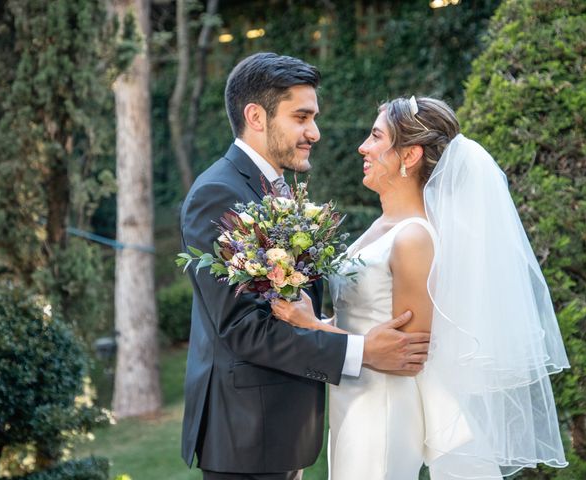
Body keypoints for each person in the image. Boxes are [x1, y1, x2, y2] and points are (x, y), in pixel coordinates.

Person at [271, 96, 570, 479]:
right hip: (355, 396)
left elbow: (406, 356)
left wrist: (313, 326)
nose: (363, 146)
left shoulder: (413, 237)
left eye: (376, 136)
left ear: (409, 155)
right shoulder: (382, 227)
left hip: (384, 407)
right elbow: (369, 317)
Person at [180, 53, 431, 480]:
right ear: (256, 116)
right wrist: (362, 350)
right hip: (245, 433)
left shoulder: (276, 190)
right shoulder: (218, 196)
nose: (313, 132)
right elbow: (243, 328)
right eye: (301, 117)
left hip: (282, 429)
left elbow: (295, 310)